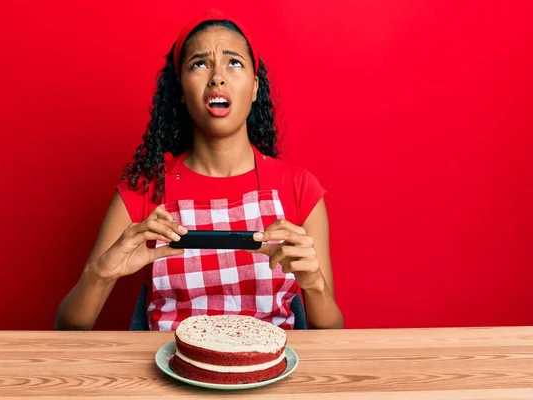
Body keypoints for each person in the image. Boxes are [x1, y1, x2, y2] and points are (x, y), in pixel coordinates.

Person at [55, 9, 343, 331]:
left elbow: (331, 332)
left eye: (234, 62)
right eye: (200, 64)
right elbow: (69, 327)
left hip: (271, 376)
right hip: (168, 374)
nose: (217, 77)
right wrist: (100, 274)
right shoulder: (145, 190)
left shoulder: (300, 189)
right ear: (180, 91)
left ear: (254, 88)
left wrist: (314, 284)